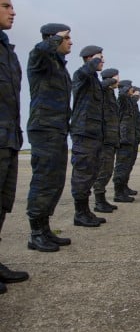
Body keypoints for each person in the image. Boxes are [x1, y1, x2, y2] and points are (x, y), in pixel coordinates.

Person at [26, 22, 73, 252]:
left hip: (57, 129)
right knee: (43, 180)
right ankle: (35, 233)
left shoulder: (58, 66)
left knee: (54, 181)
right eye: (66, 38)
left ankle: (45, 229)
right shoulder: (41, 59)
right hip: (44, 128)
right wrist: (54, 39)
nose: (70, 42)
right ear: (53, 39)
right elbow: (39, 50)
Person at [0, 0, 29, 292]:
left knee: (3, 204)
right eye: (6, 5)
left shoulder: (8, 52)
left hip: (8, 138)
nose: (13, 11)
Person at [70, 45, 107, 227]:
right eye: (100, 57)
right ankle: (79, 213)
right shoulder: (81, 75)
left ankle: (85, 211)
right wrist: (93, 61)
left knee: (92, 172)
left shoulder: (95, 80)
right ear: (89, 59)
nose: (103, 61)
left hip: (94, 133)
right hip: (83, 132)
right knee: (82, 173)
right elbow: (84, 72)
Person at [92, 67, 120, 212]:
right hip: (104, 140)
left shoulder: (110, 94)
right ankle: (98, 202)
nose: (118, 81)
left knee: (107, 171)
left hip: (111, 139)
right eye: (116, 78)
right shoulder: (103, 92)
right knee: (103, 171)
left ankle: (102, 199)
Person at [113, 80, 136, 203]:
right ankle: (118, 193)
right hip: (124, 140)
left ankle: (122, 190)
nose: (133, 90)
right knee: (121, 167)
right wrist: (124, 88)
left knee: (125, 167)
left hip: (128, 140)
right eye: (131, 88)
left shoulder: (128, 102)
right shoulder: (122, 100)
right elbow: (121, 94)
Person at [126, 86, 140, 196]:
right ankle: (120, 191)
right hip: (127, 140)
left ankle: (124, 186)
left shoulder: (134, 105)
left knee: (128, 165)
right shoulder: (127, 103)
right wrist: (133, 96)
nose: (139, 95)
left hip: (133, 139)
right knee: (124, 166)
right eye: (137, 93)